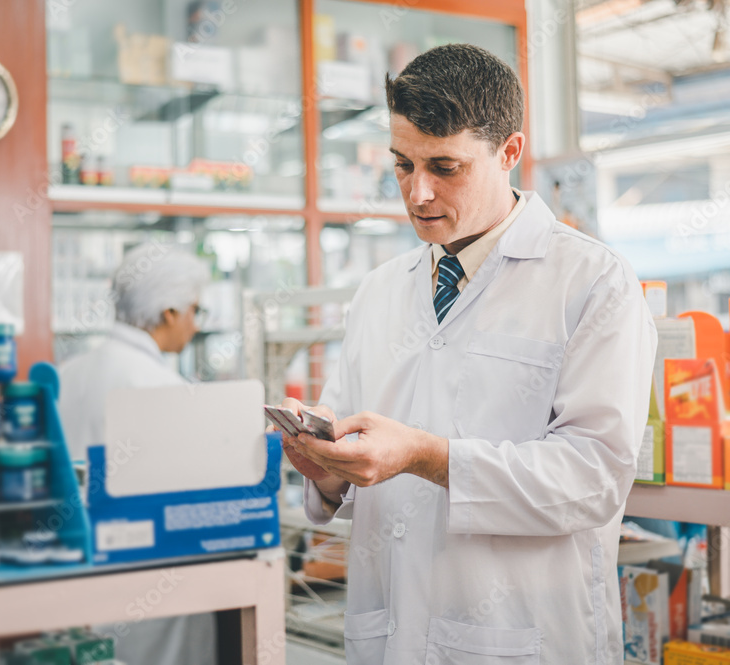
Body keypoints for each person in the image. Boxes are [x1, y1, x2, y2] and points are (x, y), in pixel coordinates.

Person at [279, 44, 657, 664]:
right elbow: (352, 454)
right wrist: (325, 468)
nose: (418, 192)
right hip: (392, 632)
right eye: (402, 165)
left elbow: (592, 480)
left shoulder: (592, 282)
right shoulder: (380, 291)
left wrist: (427, 457)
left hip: (521, 635)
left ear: (509, 151)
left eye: (445, 166)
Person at [58, 241, 215, 665]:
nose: (195, 325)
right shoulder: (164, 389)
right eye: (194, 311)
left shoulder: (67, 374)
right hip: (151, 597)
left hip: (70, 588)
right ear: (169, 313)